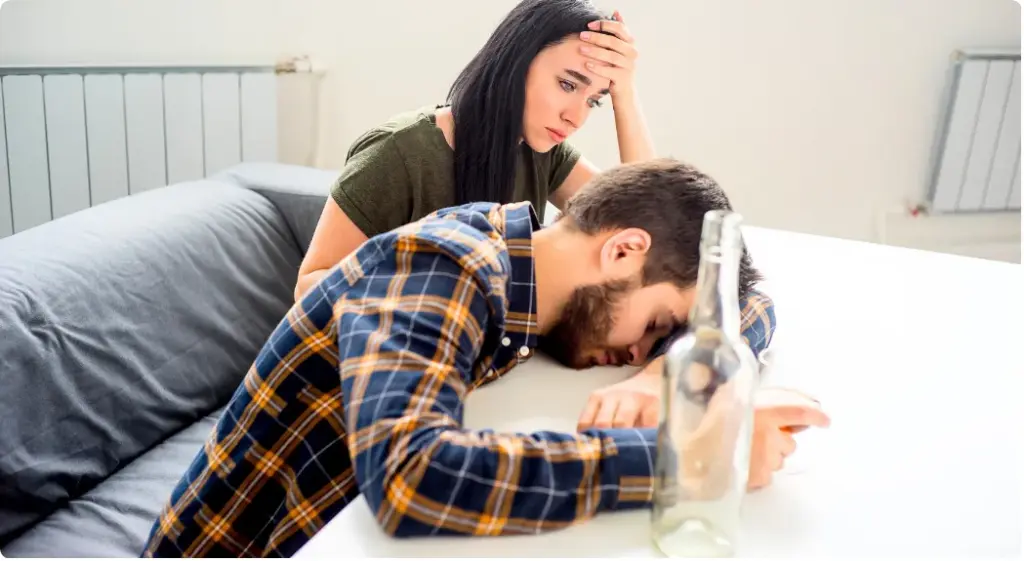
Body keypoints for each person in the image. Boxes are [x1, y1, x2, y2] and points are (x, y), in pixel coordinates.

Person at [141, 159, 829, 558]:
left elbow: (751, 303)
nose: (634, 351)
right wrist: (692, 459)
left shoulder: (538, 276)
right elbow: (412, 478)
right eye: (656, 328)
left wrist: (662, 374)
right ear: (623, 249)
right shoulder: (445, 269)